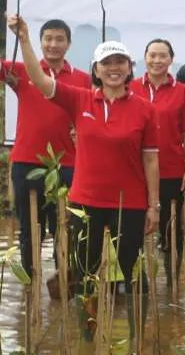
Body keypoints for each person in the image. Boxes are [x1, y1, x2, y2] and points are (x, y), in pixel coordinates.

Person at [10, 18, 159, 316]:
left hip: (128, 204)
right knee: (85, 274)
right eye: (106, 63)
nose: (114, 68)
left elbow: (151, 159)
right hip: (85, 202)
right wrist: (24, 39)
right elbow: (40, 80)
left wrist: (153, 206)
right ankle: (88, 333)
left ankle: (138, 332)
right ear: (96, 70)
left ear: (129, 68)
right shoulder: (80, 99)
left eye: (120, 62)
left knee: (131, 272)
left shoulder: (145, 109)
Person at [0, 18, 90, 290]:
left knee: (67, 228)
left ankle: (66, 285)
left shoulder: (83, 79)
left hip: (68, 164)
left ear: (69, 44)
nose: (53, 44)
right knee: (29, 231)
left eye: (59, 39)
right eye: (48, 38)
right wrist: (20, 35)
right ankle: (30, 288)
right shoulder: (21, 70)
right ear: (40, 42)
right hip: (27, 163)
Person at [133, 38, 185, 285]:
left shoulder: (182, 92)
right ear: (145, 57)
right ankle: (136, 279)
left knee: (171, 230)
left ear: (171, 59)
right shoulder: (131, 88)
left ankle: (172, 279)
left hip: (171, 170)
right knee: (133, 226)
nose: (157, 60)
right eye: (152, 55)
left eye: (163, 56)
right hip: (136, 170)